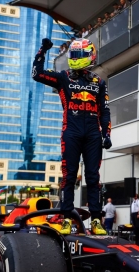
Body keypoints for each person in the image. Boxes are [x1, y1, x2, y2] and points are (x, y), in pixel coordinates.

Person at [32, 38, 112, 235]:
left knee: (93, 178)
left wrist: (107, 133)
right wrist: (42, 50)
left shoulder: (99, 82)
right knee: (68, 177)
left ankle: (96, 221)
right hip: (71, 132)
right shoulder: (63, 77)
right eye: (73, 55)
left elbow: (105, 110)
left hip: (93, 134)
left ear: (90, 56)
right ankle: (66, 218)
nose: (75, 59)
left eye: (79, 55)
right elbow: (37, 74)